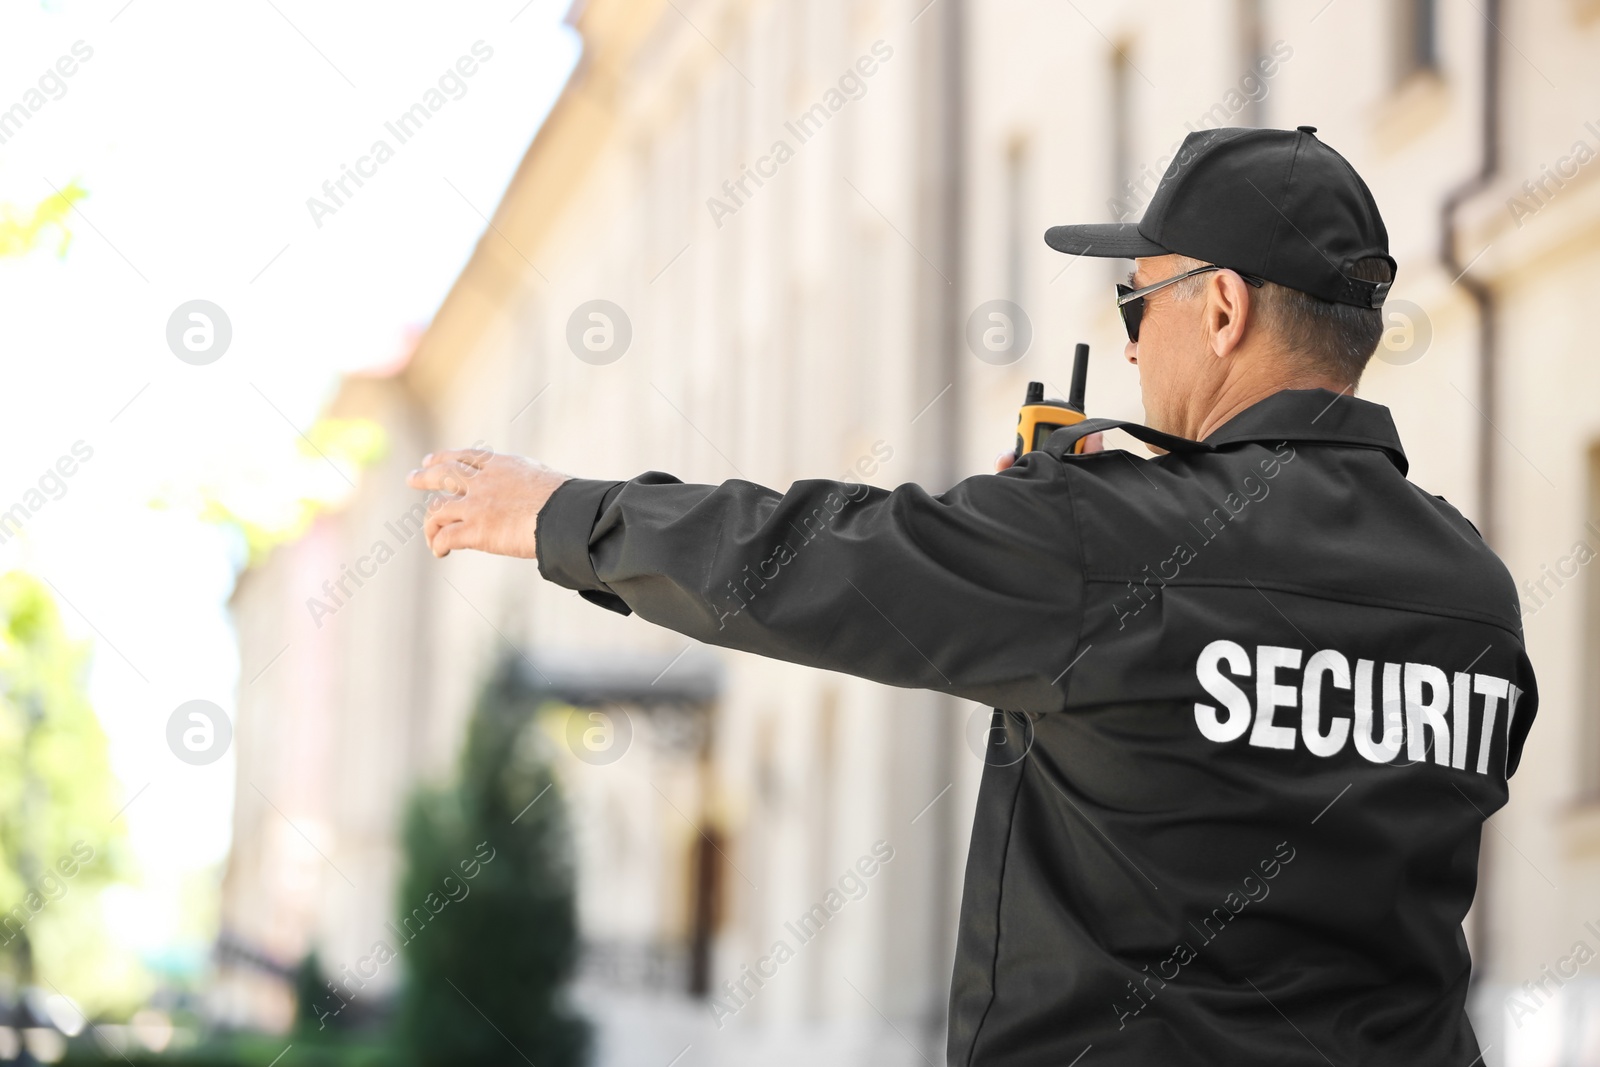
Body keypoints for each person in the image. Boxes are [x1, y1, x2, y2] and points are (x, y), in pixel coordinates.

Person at [407, 125, 1537, 1066]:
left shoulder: (1107, 537)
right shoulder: (1473, 588)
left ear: (1224, 308)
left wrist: (566, 513)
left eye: (1135, 301)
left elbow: (823, 555)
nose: (1131, 343)